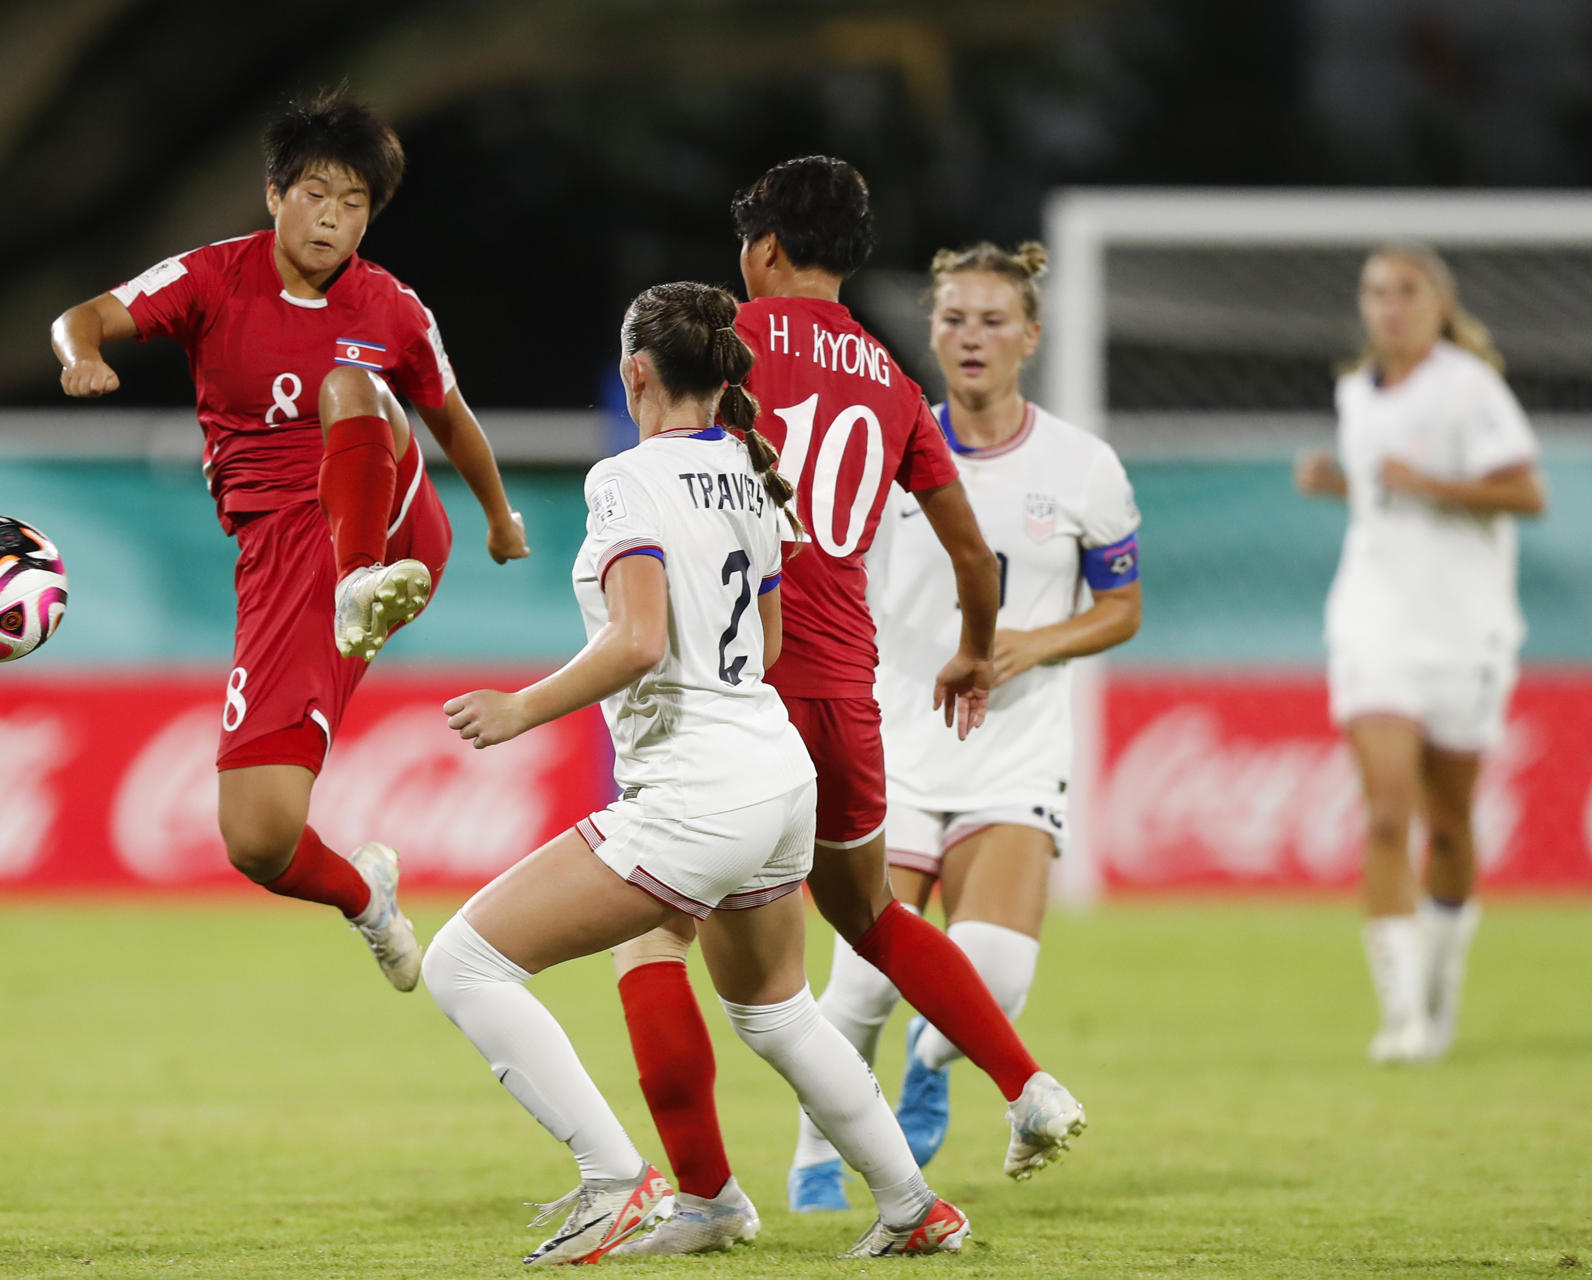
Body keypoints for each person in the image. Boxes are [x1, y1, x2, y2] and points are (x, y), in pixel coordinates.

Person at [427, 282, 969, 1265]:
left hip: (698, 793)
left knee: (462, 961)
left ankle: (614, 1180)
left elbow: (637, 641)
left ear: (637, 371)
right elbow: (764, 643)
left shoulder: (625, 479)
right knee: (777, 1010)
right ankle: (909, 1204)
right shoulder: (753, 473)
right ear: (725, 379)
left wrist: (520, 708)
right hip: (776, 778)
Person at [605, 158, 1087, 1246]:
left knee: (652, 934)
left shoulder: (725, 342)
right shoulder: (890, 376)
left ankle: (705, 1195)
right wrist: (974, 653)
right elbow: (975, 554)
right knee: (867, 917)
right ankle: (1026, 1085)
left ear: (765, 250)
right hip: (844, 691)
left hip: (737, 683)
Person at [49, 89, 529, 991]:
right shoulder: (211, 277)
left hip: (388, 531)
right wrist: (82, 354)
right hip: (278, 558)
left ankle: (361, 581)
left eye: (355, 206)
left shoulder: (391, 309)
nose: (334, 220)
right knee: (258, 839)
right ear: (274, 194)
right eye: (317, 195)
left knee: (353, 389)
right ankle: (367, 898)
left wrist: (500, 519)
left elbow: (452, 421)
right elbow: (85, 315)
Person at [794, 241, 1141, 1183]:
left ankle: (933, 1058)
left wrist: (1033, 643)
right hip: (894, 746)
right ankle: (820, 1162)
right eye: (953, 317)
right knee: (858, 984)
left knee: (994, 977)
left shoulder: (1083, 466)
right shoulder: (885, 443)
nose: (970, 335)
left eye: (993, 319)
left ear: (1030, 335)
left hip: (1013, 754)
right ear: (932, 330)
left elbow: (1123, 606)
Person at [1294, 244, 1544, 1064]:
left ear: (1438, 303)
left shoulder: (1469, 389)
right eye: (1375, 291)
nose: (1388, 306)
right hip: (1373, 625)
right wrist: (1342, 484)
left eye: (1405, 291)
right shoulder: (1354, 392)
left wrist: (1429, 481)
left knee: (1450, 824)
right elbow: (1383, 499)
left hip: (1467, 633)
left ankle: (1438, 1000)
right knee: (1388, 814)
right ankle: (1399, 1015)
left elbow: (1525, 492)